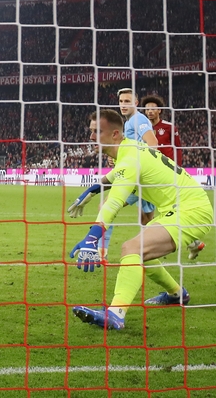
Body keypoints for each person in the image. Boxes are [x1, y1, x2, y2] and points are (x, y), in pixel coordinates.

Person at [68, 109, 212, 330]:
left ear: (115, 134)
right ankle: (177, 294)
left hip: (191, 210)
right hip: (181, 208)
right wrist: (93, 189)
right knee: (142, 253)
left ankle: (115, 314)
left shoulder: (129, 160)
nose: (91, 136)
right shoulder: (131, 149)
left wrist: (92, 237)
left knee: (132, 248)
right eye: (91, 131)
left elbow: (114, 203)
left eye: (98, 132)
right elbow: (114, 176)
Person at [141, 94, 206, 257]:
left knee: (157, 211)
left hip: (168, 174)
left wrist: (179, 169)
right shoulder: (142, 129)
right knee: (155, 211)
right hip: (150, 174)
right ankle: (192, 242)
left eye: (153, 108)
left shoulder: (169, 127)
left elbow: (178, 148)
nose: (149, 111)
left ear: (160, 110)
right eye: (147, 109)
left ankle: (148, 246)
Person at [99, 88, 159, 258]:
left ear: (136, 103)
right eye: (121, 101)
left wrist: (133, 163)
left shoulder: (138, 119)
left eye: (127, 101)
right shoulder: (129, 122)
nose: (123, 105)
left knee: (106, 206)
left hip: (138, 176)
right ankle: (192, 242)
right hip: (144, 177)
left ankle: (101, 252)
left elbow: (153, 144)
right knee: (146, 220)